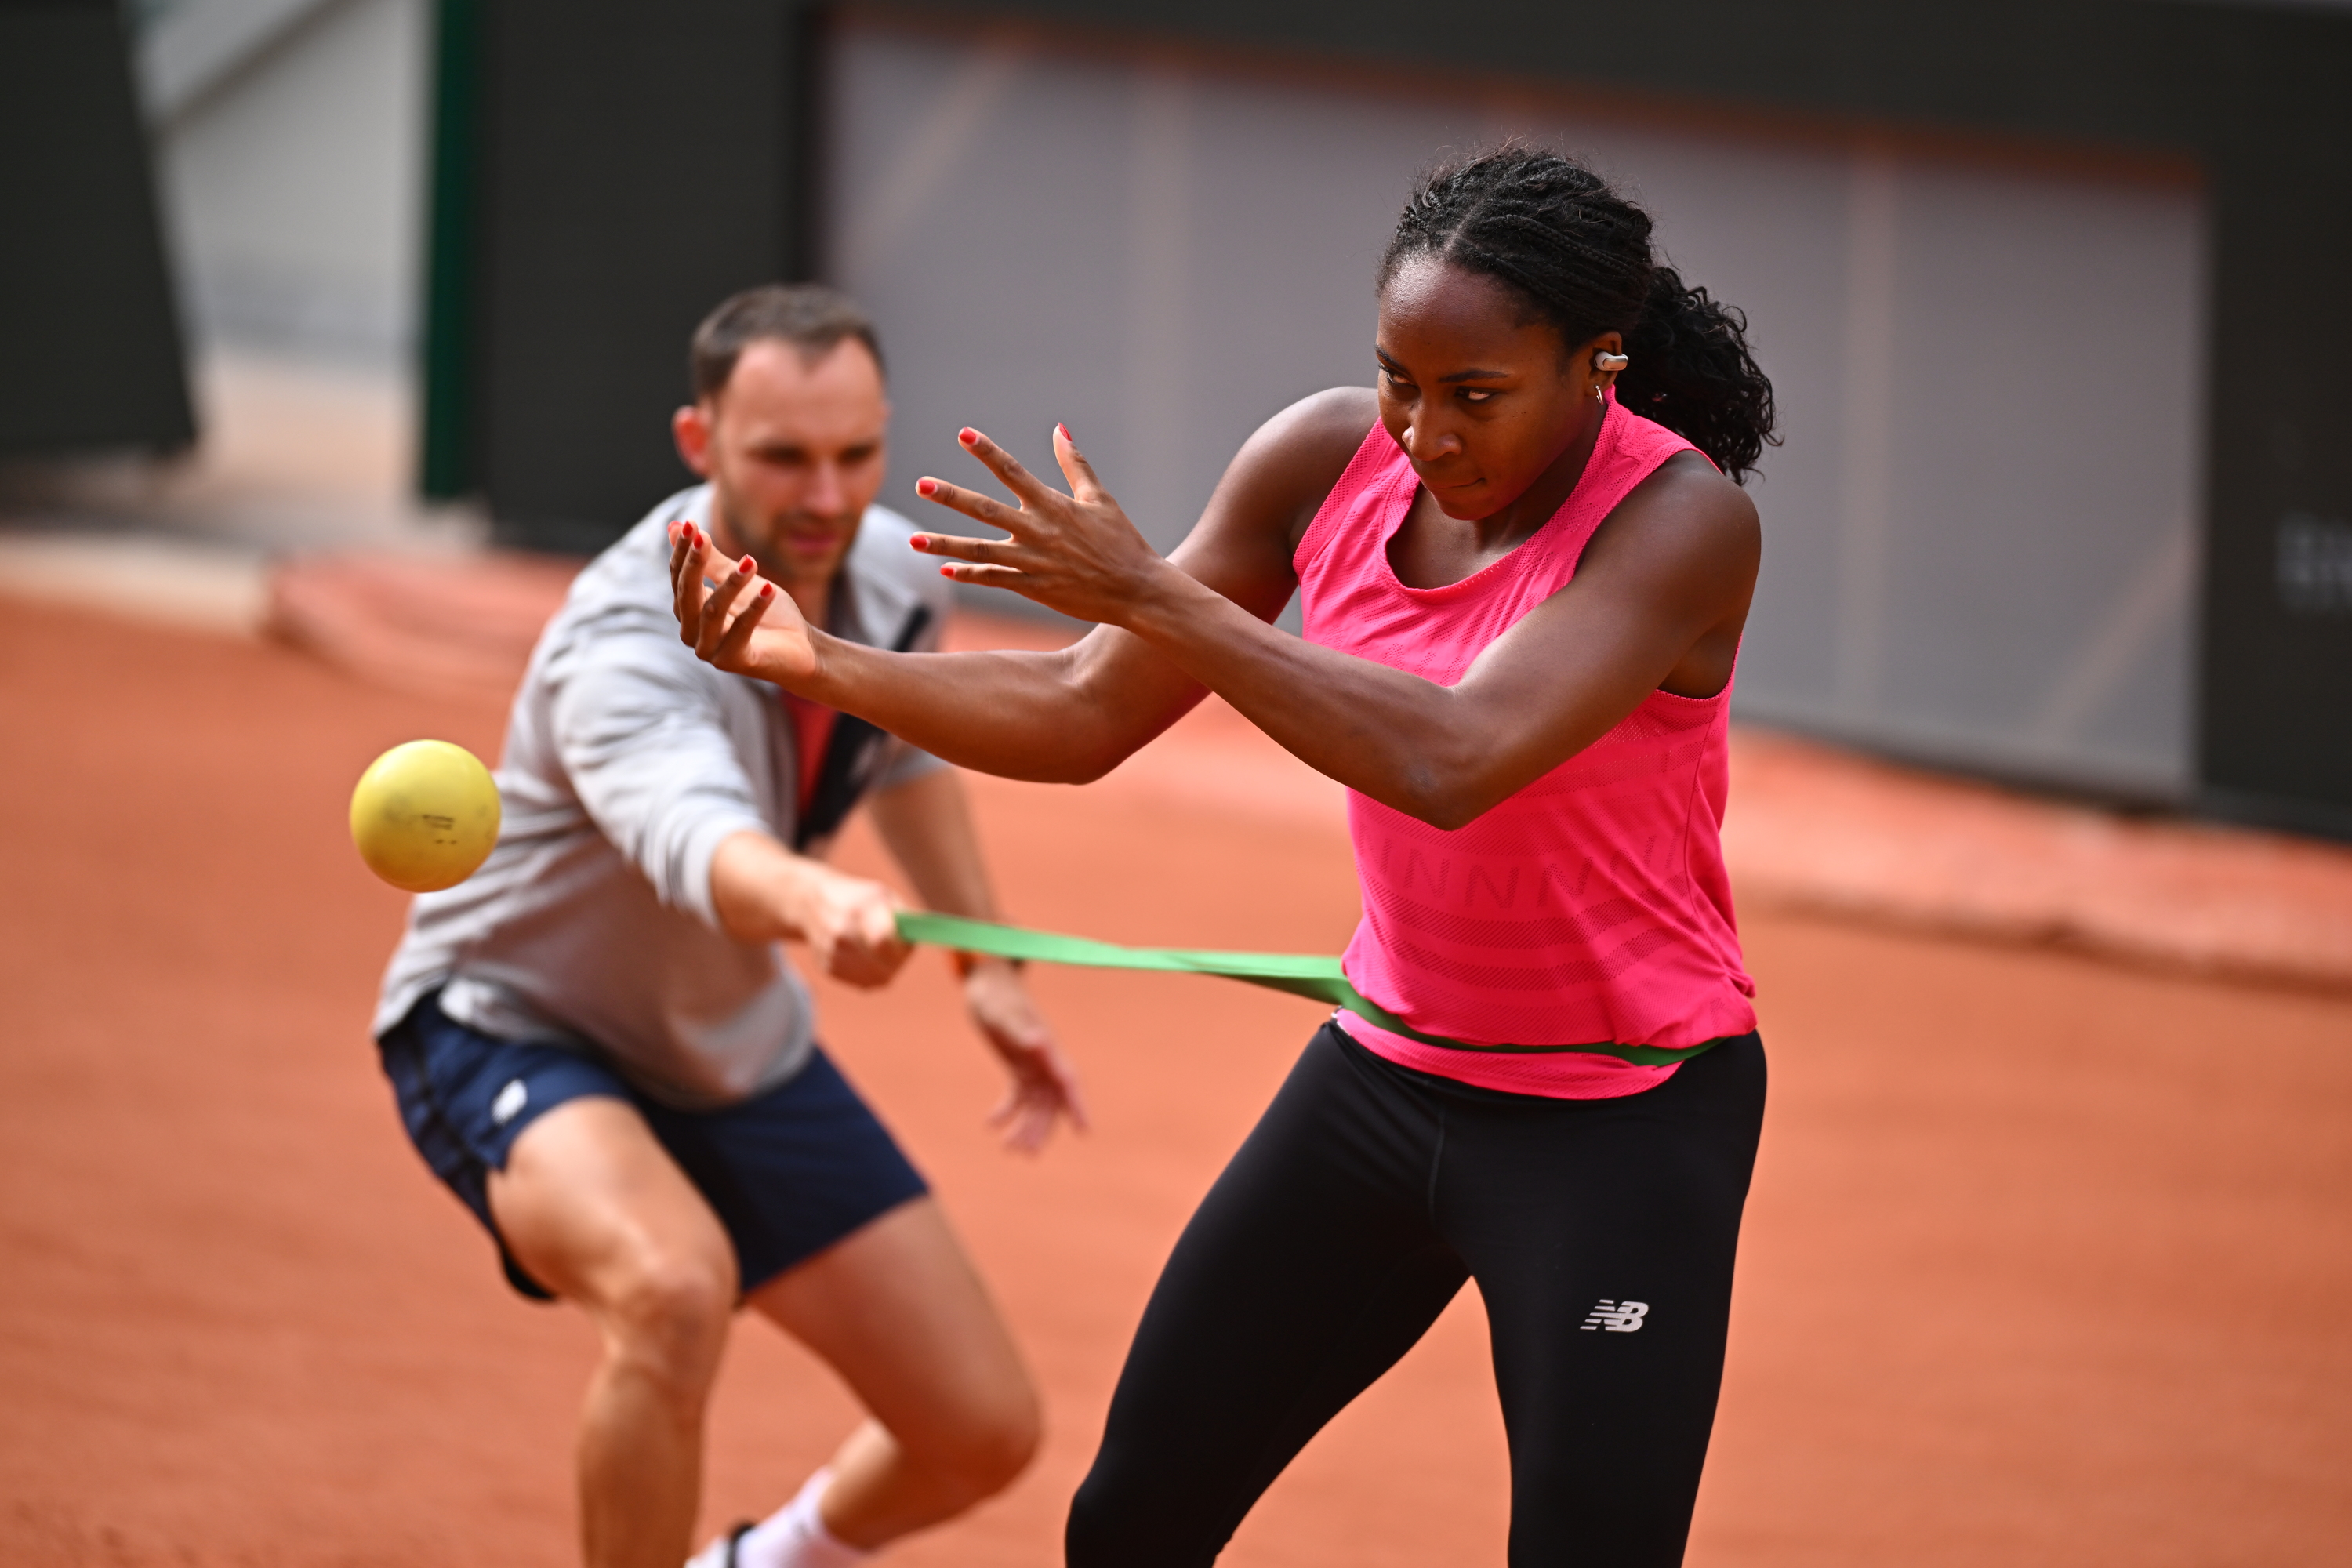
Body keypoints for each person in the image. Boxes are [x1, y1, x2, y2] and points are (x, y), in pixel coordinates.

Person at [674, 147, 1777, 1566]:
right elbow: (1084, 710)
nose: (1425, 433)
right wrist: (817, 661)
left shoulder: (1679, 525)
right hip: (1387, 1077)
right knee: (1133, 1521)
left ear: (1595, 366)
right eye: (1399, 378)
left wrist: (1159, 598)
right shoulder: (1328, 461)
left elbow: (1451, 758)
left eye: (1476, 395)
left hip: (1623, 1124)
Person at [374, 283, 1084, 1568]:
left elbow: (904, 751)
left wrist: (987, 962)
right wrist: (821, 903)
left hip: (725, 1039)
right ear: (700, 444)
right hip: (515, 1028)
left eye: (856, 453)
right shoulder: (624, 639)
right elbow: (698, 841)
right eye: (783, 457)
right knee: (670, 1288)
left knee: (978, 1429)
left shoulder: (881, 577)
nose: (828, 495)